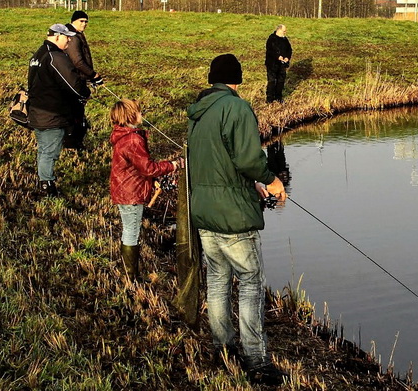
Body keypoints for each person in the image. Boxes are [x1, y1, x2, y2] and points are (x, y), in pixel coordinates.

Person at [187, 54, 288, 386]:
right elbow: (247, 157)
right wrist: (271, 179)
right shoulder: (238, 108)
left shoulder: (198, 113)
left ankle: (223, 347)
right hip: (232, 216)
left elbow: (219, 161)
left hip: (204, 210)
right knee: (249, 282)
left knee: (217, 279)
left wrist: (252, 184)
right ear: (237, 79)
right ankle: (257, 361)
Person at [109, 99, 183, 280]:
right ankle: (131, 277)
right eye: (139, 112)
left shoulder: (124, 135)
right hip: (131, 193)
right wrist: (172, 165)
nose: (142, 115)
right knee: (131, 231)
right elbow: (147, 168)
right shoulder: (133, 139)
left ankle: (130, 274)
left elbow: (139, 167)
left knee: (129, 229)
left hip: (124, 189)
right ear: (131, 116)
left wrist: (153, 180)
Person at [28, 24, 91, 197]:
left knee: (43, 149)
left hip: (37, 111)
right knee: (50, 151)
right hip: (52, 113)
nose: (69, 40)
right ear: (56, 36)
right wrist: (85, 92)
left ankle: (44, 180)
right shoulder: (55, 57)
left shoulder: (37, 55)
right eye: (66, 37)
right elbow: (73, 84)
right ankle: (47, 186)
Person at [64, 10, 103, 150]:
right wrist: (93, 75)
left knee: (77, 113)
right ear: (73, 21)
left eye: (86, 21)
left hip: (77, 79)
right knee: (76, 113)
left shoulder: (76, 34)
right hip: (74, 80)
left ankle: (74, 142)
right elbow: (78, 62)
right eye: (81, 21)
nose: (84, 24)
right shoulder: (73, 37)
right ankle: (72, 143)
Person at [265, 24, 292, 103]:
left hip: (282, 64)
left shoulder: (285, 40)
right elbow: (270, 50)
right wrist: (277, 56)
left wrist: (287, 57)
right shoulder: (271, 39)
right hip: (272, 64)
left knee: (281, 81)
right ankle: (269, 99)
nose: (285, 32)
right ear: (279, 30)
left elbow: (289, 50)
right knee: (272, 81)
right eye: (284, 31)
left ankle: (279, 97)